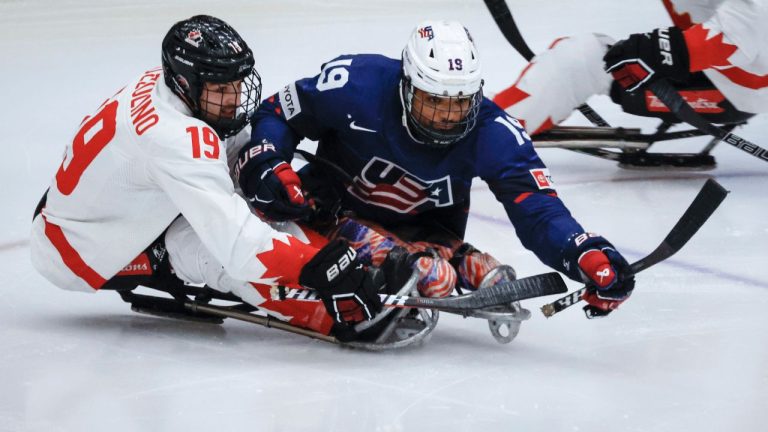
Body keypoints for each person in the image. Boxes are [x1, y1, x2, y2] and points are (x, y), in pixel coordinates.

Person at [237, 20, 636, 316]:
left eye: (459, 102)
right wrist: (270, 164)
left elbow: (538, 209)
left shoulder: (494, 131)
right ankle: (419, 263)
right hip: (330, 213)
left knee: (475, 273)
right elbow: (276, 112)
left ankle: (442, 257)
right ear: (407, 85)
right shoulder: (354, 85)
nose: (448, 116)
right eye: (435, 101)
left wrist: (582, 252)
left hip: (427, 231)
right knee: (436, 278)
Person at [29, 15, 386, 342]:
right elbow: (241, 249)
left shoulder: (166, 85)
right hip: (83, 251)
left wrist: (264, 168)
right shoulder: (172, 137)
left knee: (253, 210)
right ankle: (340, 313)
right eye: (220, 89)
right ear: (188, 82)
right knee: (217, 252)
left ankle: (348, 267)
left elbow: (216, 144)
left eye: (236, 84)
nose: (234, 98)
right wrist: (314, 267)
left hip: (95, 213)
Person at [494, 0, 767, 136]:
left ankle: (480, 137)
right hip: (726, 75)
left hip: (727, 90)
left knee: (583, 59)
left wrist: (655, 52)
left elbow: (740, 34)